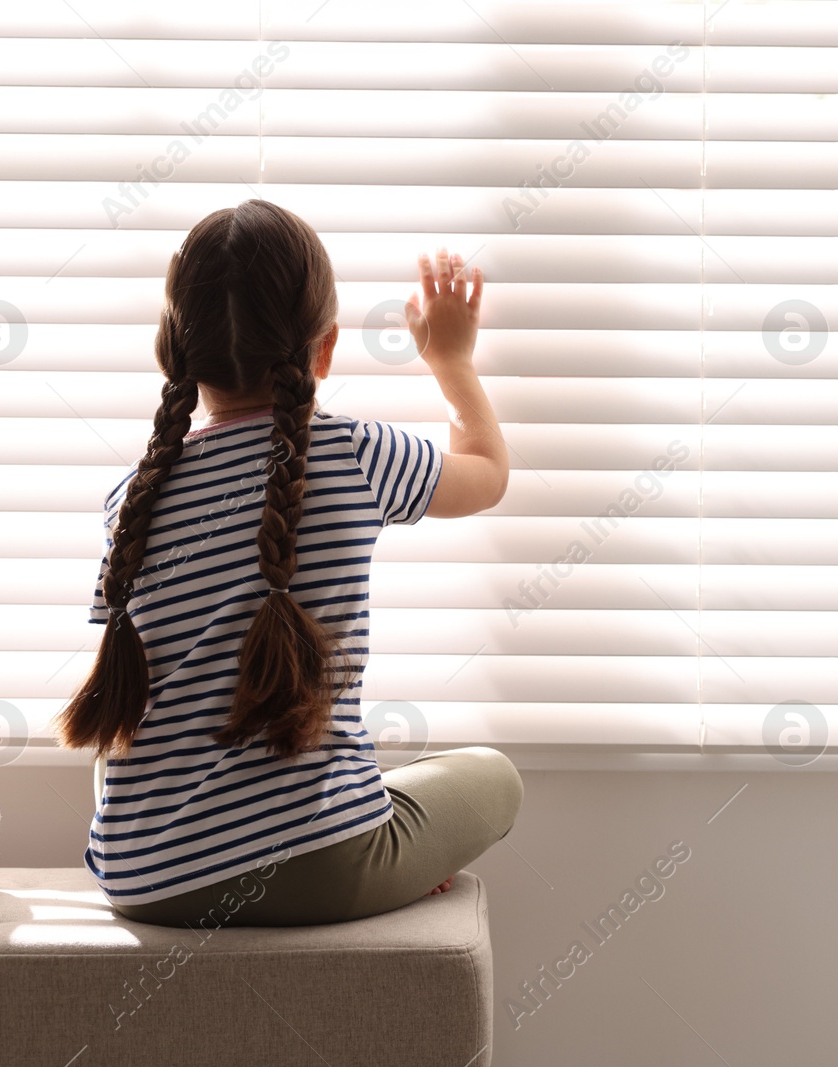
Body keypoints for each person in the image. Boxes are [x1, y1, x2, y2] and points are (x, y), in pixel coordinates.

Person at [56, 198, 522, 926]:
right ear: (325, 347)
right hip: (320, 868)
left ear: (173, 352)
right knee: (494, 777)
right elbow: (487, 472)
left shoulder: (131, 502)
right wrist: (451, 359)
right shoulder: (359, 453)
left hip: (144, 882)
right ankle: (356, 837)